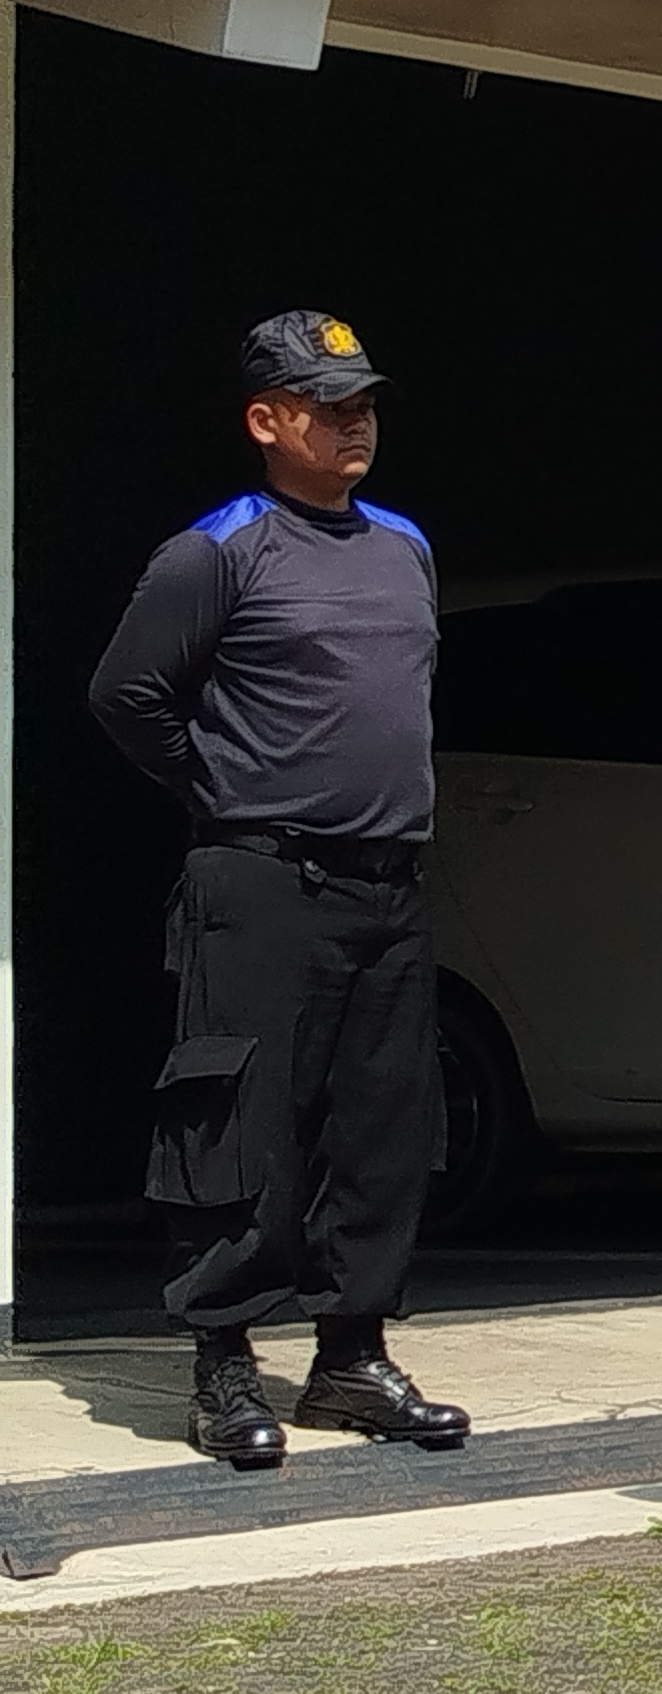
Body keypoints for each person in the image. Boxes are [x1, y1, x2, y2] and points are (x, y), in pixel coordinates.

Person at [89, 312, 469, 1469]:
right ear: (266, 420)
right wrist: (224, 786)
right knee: (239, 1125)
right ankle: (222, 1365)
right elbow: (126, 695)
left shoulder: (403, 545)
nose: (355, 423)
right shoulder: (217, 550)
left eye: (364, 403)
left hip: (386, 886)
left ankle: (350, 1358)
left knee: (383, 1128)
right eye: (326, 405)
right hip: (260, 880)